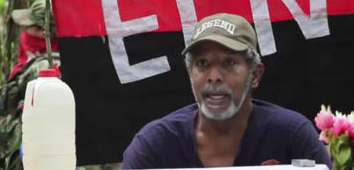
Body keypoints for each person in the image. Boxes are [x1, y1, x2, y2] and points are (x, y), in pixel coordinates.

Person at [121, 13, 332, 169]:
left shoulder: (293, 135)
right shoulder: (154, 145)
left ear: (255, 75)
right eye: (202, 64)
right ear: (190, 75)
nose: (214, 76)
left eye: (229, 62)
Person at [0, 0, 59, 170]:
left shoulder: (47, 70)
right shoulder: (35, 63)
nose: (23, 32)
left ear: (43, 31)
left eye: (29, 26)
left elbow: (31, 128)